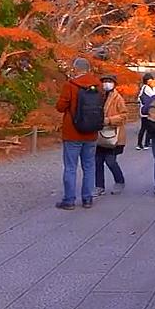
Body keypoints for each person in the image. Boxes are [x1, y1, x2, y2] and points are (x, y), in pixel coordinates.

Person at [55, 58, 102, 209]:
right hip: (92, 132)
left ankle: (69, 200)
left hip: (72, 132)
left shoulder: (70, 85)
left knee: (70, 167)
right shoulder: (98, 84)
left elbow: (61, 107)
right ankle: (87, 198)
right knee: (89, 166)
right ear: (88, 69)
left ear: (76, 69)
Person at [94, 73, 127, 196]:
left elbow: (124, 116)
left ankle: (119, 181)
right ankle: (99, 185)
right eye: (104, 81)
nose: (106, 83)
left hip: (114, 134)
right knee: (97, 161)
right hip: (100, 134)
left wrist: (108, 120)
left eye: (109, 81)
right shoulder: (99, 96)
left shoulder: (118, 98)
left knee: (110, 160)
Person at [136, 73, 155, 151]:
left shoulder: (145, 88)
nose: (150, 82)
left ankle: (140, 144)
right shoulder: (146, 88)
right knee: (147, 127)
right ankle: (146, 144)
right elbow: (154, 96)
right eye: (149, 81)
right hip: (147, 111)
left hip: (145, 110)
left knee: (144, 128)